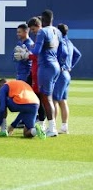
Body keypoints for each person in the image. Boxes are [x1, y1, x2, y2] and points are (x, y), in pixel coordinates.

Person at [29, 9, 61, 137]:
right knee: (49, 97)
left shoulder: (42, 31)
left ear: (43, 19)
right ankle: (51, 126)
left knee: (45, 98)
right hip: (55, 65)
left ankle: (52, 128)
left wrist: (27, 54)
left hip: (46, 66)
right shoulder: (56, 31)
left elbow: (36, 51)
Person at [53, 23, 81, 134]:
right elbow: (77, 54)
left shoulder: (60, 42)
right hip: (67, 74)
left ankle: (52, 125)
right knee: (63, 101)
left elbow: (63, 53)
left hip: (61, 74)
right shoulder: (69, 42)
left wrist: (63, 65)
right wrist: (70, 66)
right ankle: (64, 126)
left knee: (54, 100)